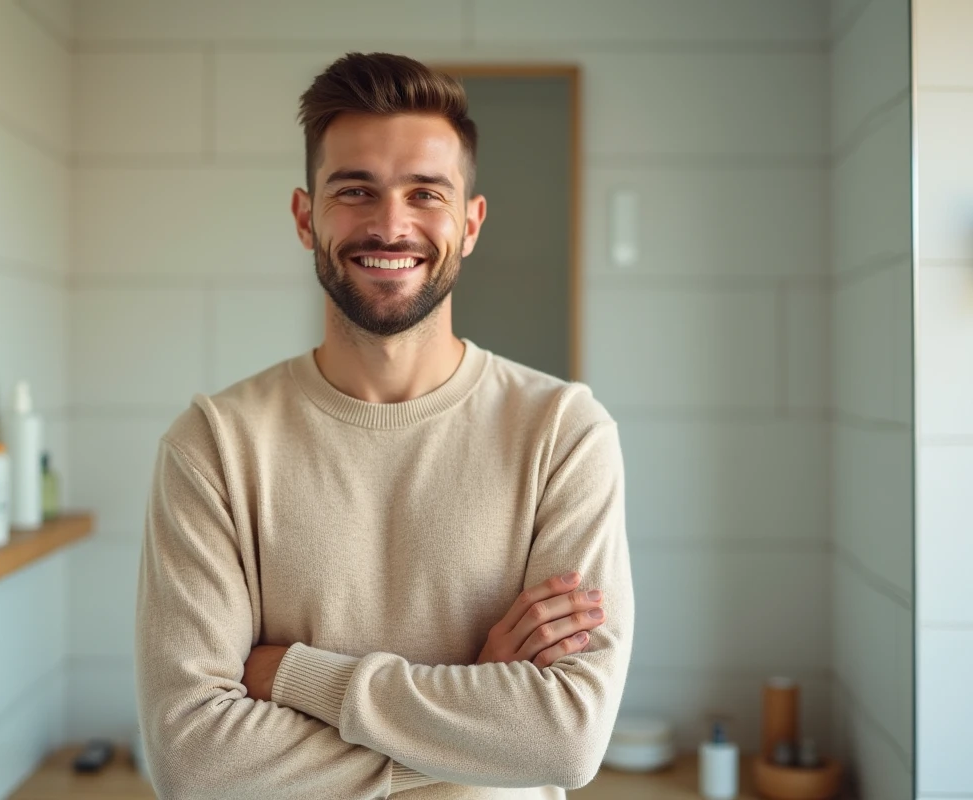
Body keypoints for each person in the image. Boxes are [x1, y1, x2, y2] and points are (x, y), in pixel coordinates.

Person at [134, 51, 634, 799]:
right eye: (355, 190)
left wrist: (290, 674)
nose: (390, 225)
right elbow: (193, 760)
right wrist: (475, 710)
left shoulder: (563, 434)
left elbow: (565, 737)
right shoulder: (214, 446)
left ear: (470, 223)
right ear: (307, 217)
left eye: (425, 193)